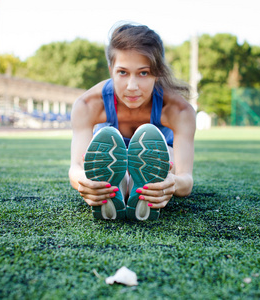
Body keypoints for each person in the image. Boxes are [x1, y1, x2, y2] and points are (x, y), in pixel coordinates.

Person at [68, 22, 196, 221]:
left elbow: (186, 180)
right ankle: (118, 183)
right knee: (93, 158)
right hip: (110, 154)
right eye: (123, 72)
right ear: (111, 70)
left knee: (165, 156)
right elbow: (75, 167)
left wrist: (172, 183)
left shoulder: (179, 110)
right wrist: (85, 182)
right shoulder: (88, 105)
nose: (132, 86)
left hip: (159, 160)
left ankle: (131, 185)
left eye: (143, 73)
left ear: (157, 72)